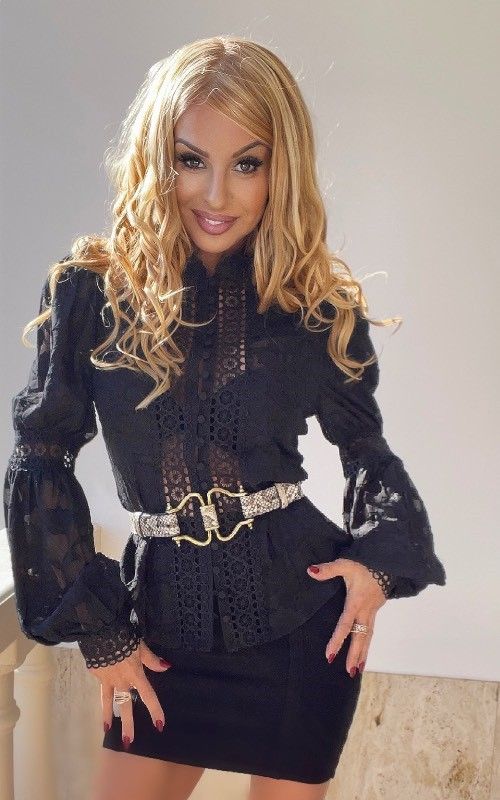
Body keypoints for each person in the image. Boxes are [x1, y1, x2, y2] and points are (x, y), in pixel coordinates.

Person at [3, 36, 446, 800]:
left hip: (299, 627)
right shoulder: (88, 294)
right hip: (158, 633)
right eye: (190, 160)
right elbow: (41, 455)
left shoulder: (312, 305)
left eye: (248, 163)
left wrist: (378, 563)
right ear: (157, 157)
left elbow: (367, 450)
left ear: (283, 167)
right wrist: (101, 632)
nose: (216, 194)